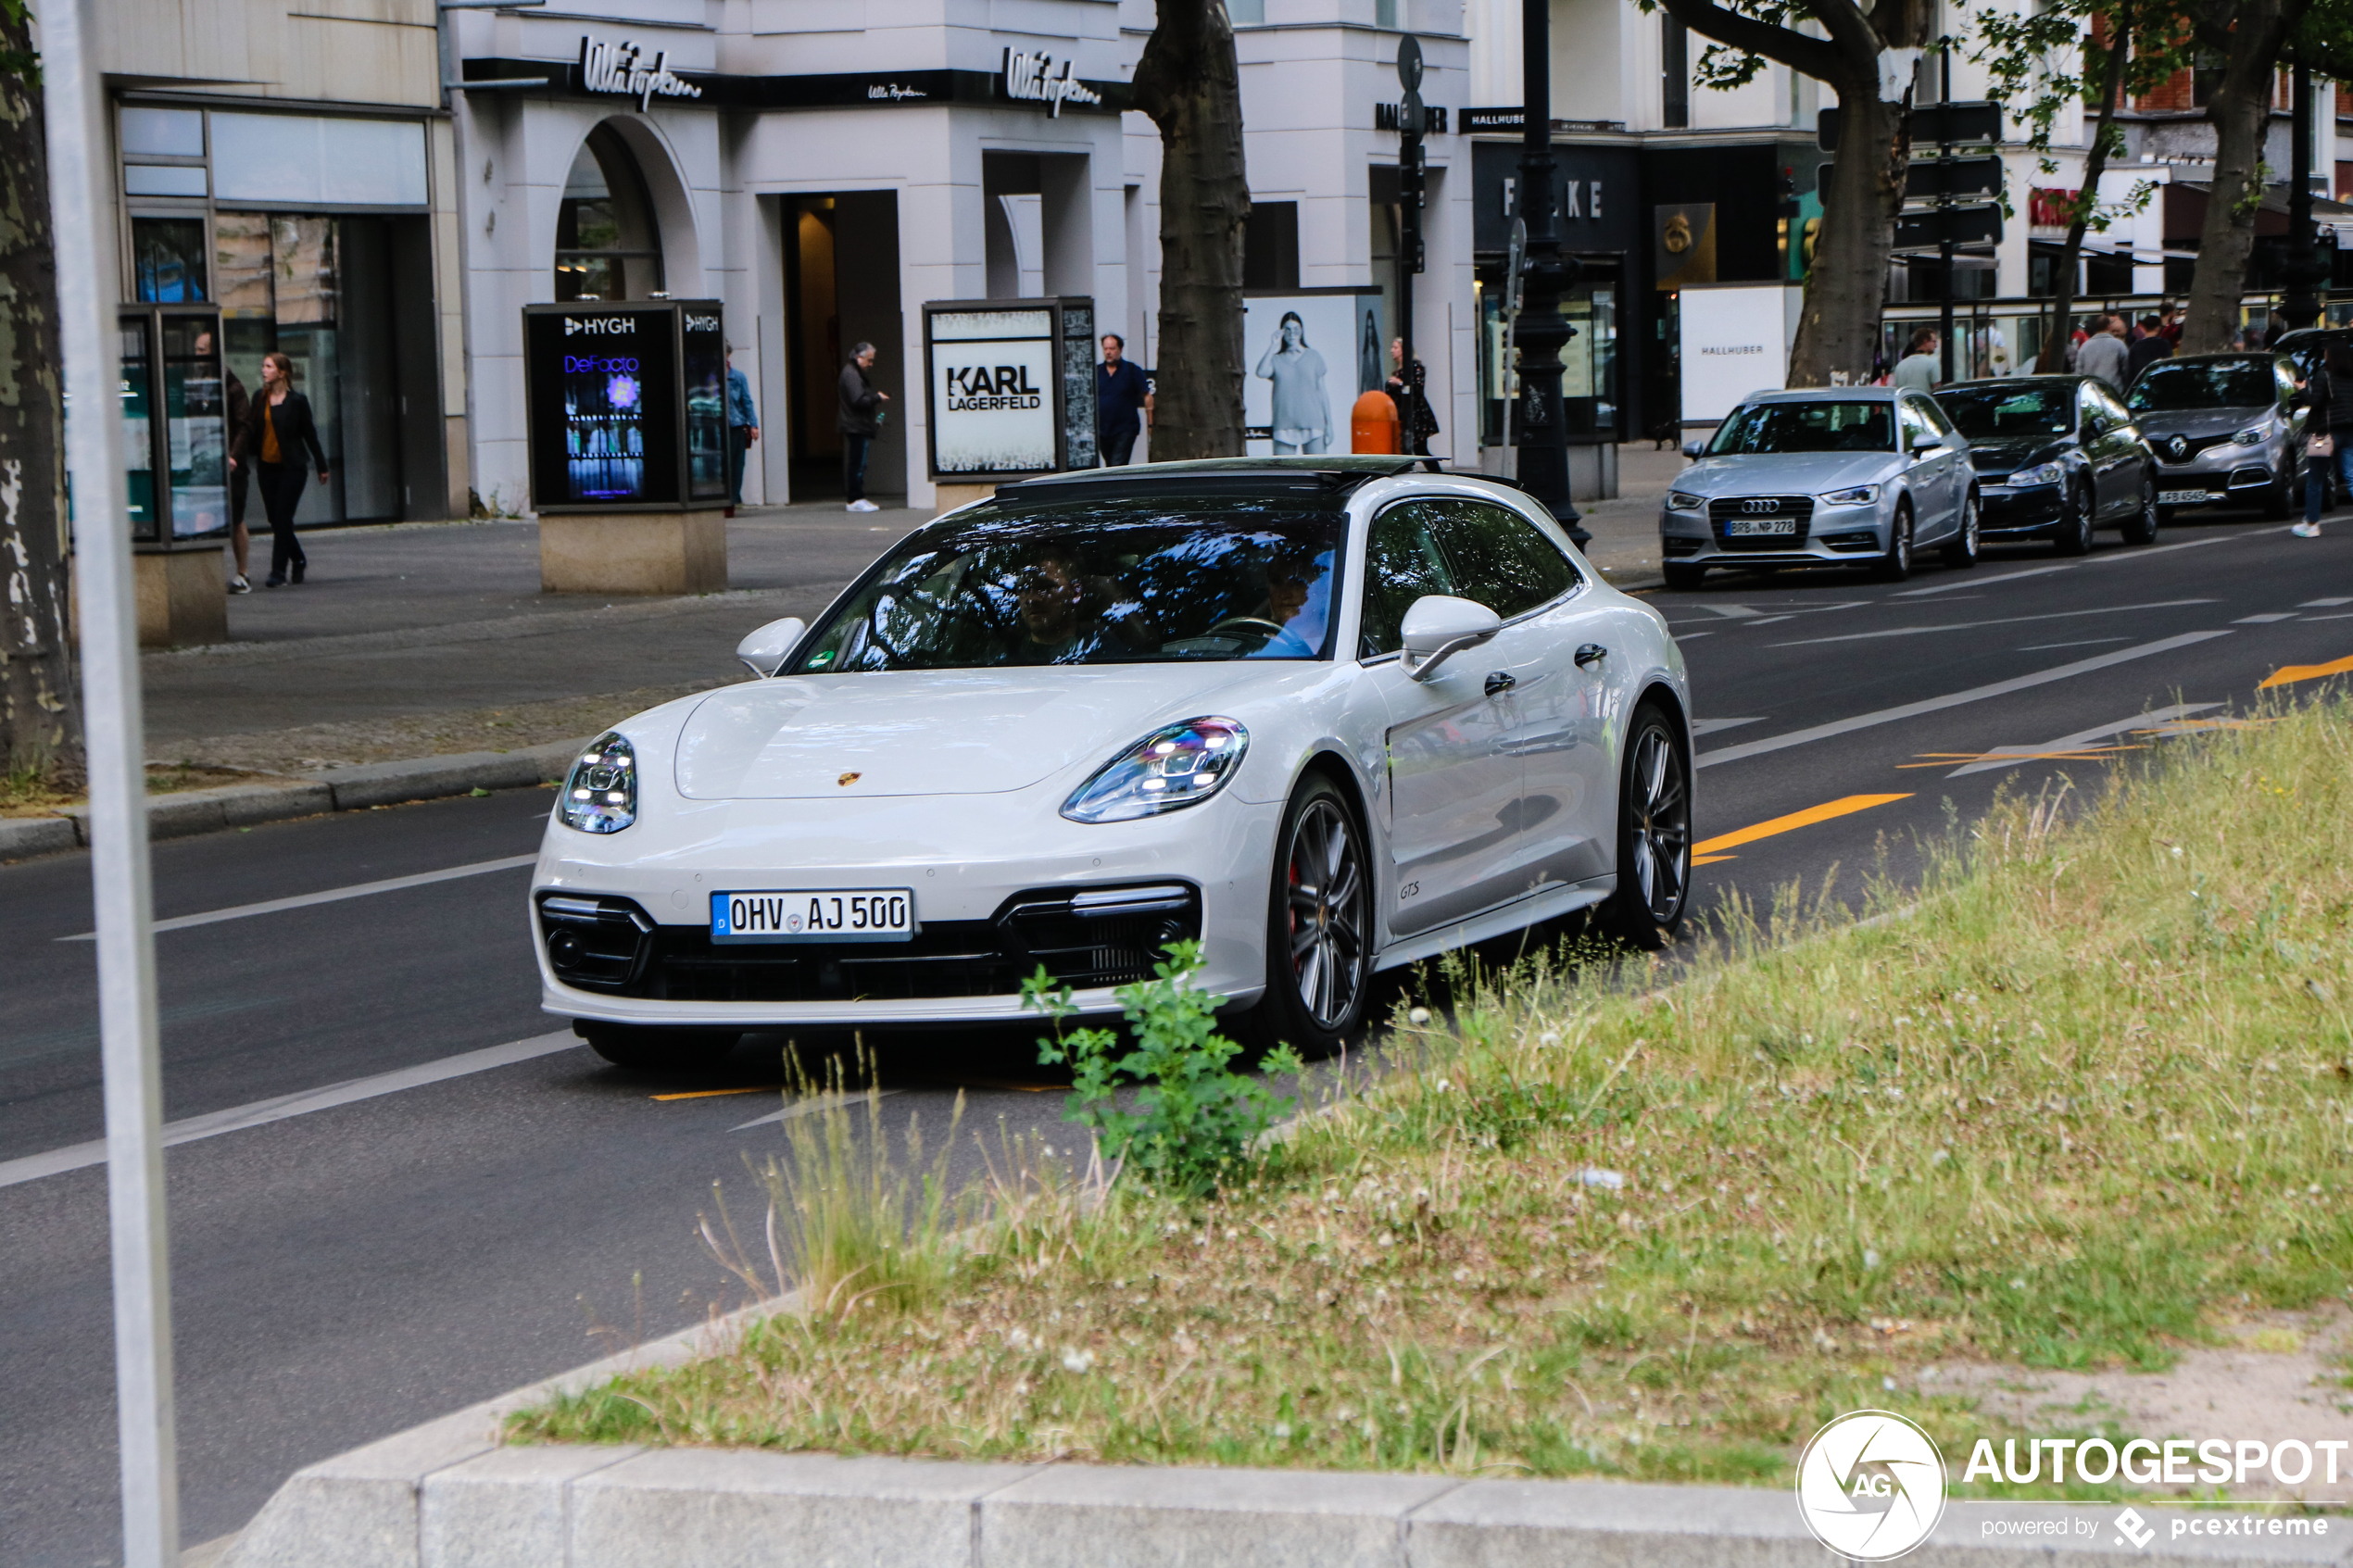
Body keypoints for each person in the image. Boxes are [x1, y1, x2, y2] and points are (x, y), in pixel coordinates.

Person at [229, 351, 328, 587]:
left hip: (292, 468)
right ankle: (298, 558)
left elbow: (310, 434)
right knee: (276, 519)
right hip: (267, 467)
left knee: (283, 517)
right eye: (263, 366)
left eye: (269, 366)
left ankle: (278, 571)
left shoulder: (297, 401)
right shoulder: (259, 398)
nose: (264, 370)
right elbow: (250, 429)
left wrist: (322, 466)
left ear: (282, 372)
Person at [197, 330, 253, 594]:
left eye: (201, 350)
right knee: (207, 516)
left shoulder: (233, 386)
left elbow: (244, 425)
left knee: (235, 518)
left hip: (231, 464)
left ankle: (243, 572)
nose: (197, 355)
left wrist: (233, 456)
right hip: (206, 461)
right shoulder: (200, 382)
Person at [2294, 343, 2353, 538]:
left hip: (2324, 434)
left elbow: (2314, 402)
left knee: (2316, 478)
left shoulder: (2323, 375)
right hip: (2350, 432)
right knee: (2351, 477)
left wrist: (2302, 389)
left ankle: (2312, 524)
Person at [1254, 311, 1331, 454]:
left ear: (1301, 331)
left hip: (1313, 424)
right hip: (1284, 426)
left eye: (1296, 329)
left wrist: (1329, 425)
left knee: (1320, 472)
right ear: (1283, 332)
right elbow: (1261, 372)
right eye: (1288, 330)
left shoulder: (1313, 356)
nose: (1292, 334)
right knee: (1284, 473)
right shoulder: (1277, 360)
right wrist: (1273, 345)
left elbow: (1322, 393)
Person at [837, 342, 887, 514]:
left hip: (856, 424)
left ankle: (857, 497)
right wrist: (876, 398)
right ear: (859, 357)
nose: (871, 364)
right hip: (856, 425)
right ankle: (855, 498)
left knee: (858, 463)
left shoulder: (852, 372)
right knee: (857, 463)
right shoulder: (851, 374)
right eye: (869, 360)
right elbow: (858, 400)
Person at [1095, 333, 1151, 467]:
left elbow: (1147, 395)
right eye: (1106, 349)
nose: (1109, 352)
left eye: (1112, 348)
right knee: (1109, 464)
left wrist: (1150, 423)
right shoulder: (1096, 371)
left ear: (1120, 349)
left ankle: (1114, 486)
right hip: (1102, 429)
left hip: (1125, 428)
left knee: (1117, 464)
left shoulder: (1132, 370)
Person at [724, 345, 758, 516]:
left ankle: (731, 501)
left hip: (736, 425)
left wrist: (754, 424)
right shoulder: (709, 376)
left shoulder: (737, 377)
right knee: (723, 465)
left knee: (737, 464)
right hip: (716, 427)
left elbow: (747, 401)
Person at [2075, 313, 2131, 393]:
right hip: (2114, 392)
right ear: (2109, 327)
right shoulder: (2119, 345)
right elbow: (2126, 370)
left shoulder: (2085, 347)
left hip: (2091, 392)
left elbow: (2078, 373)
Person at [1890, 328, 1941, 392]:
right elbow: (1937, 389)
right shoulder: (1932, 363)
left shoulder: (1900, 366)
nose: (1936, 346)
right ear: (1925, 342)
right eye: (1934, 341)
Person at [2127, 314, 2172, 381]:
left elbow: (2131, 371)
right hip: (2160, 381)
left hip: (2141, 383)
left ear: (2144, 327)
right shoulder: (2164, 344)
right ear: (2158, 327)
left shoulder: (2135, 346)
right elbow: (2169, 365)